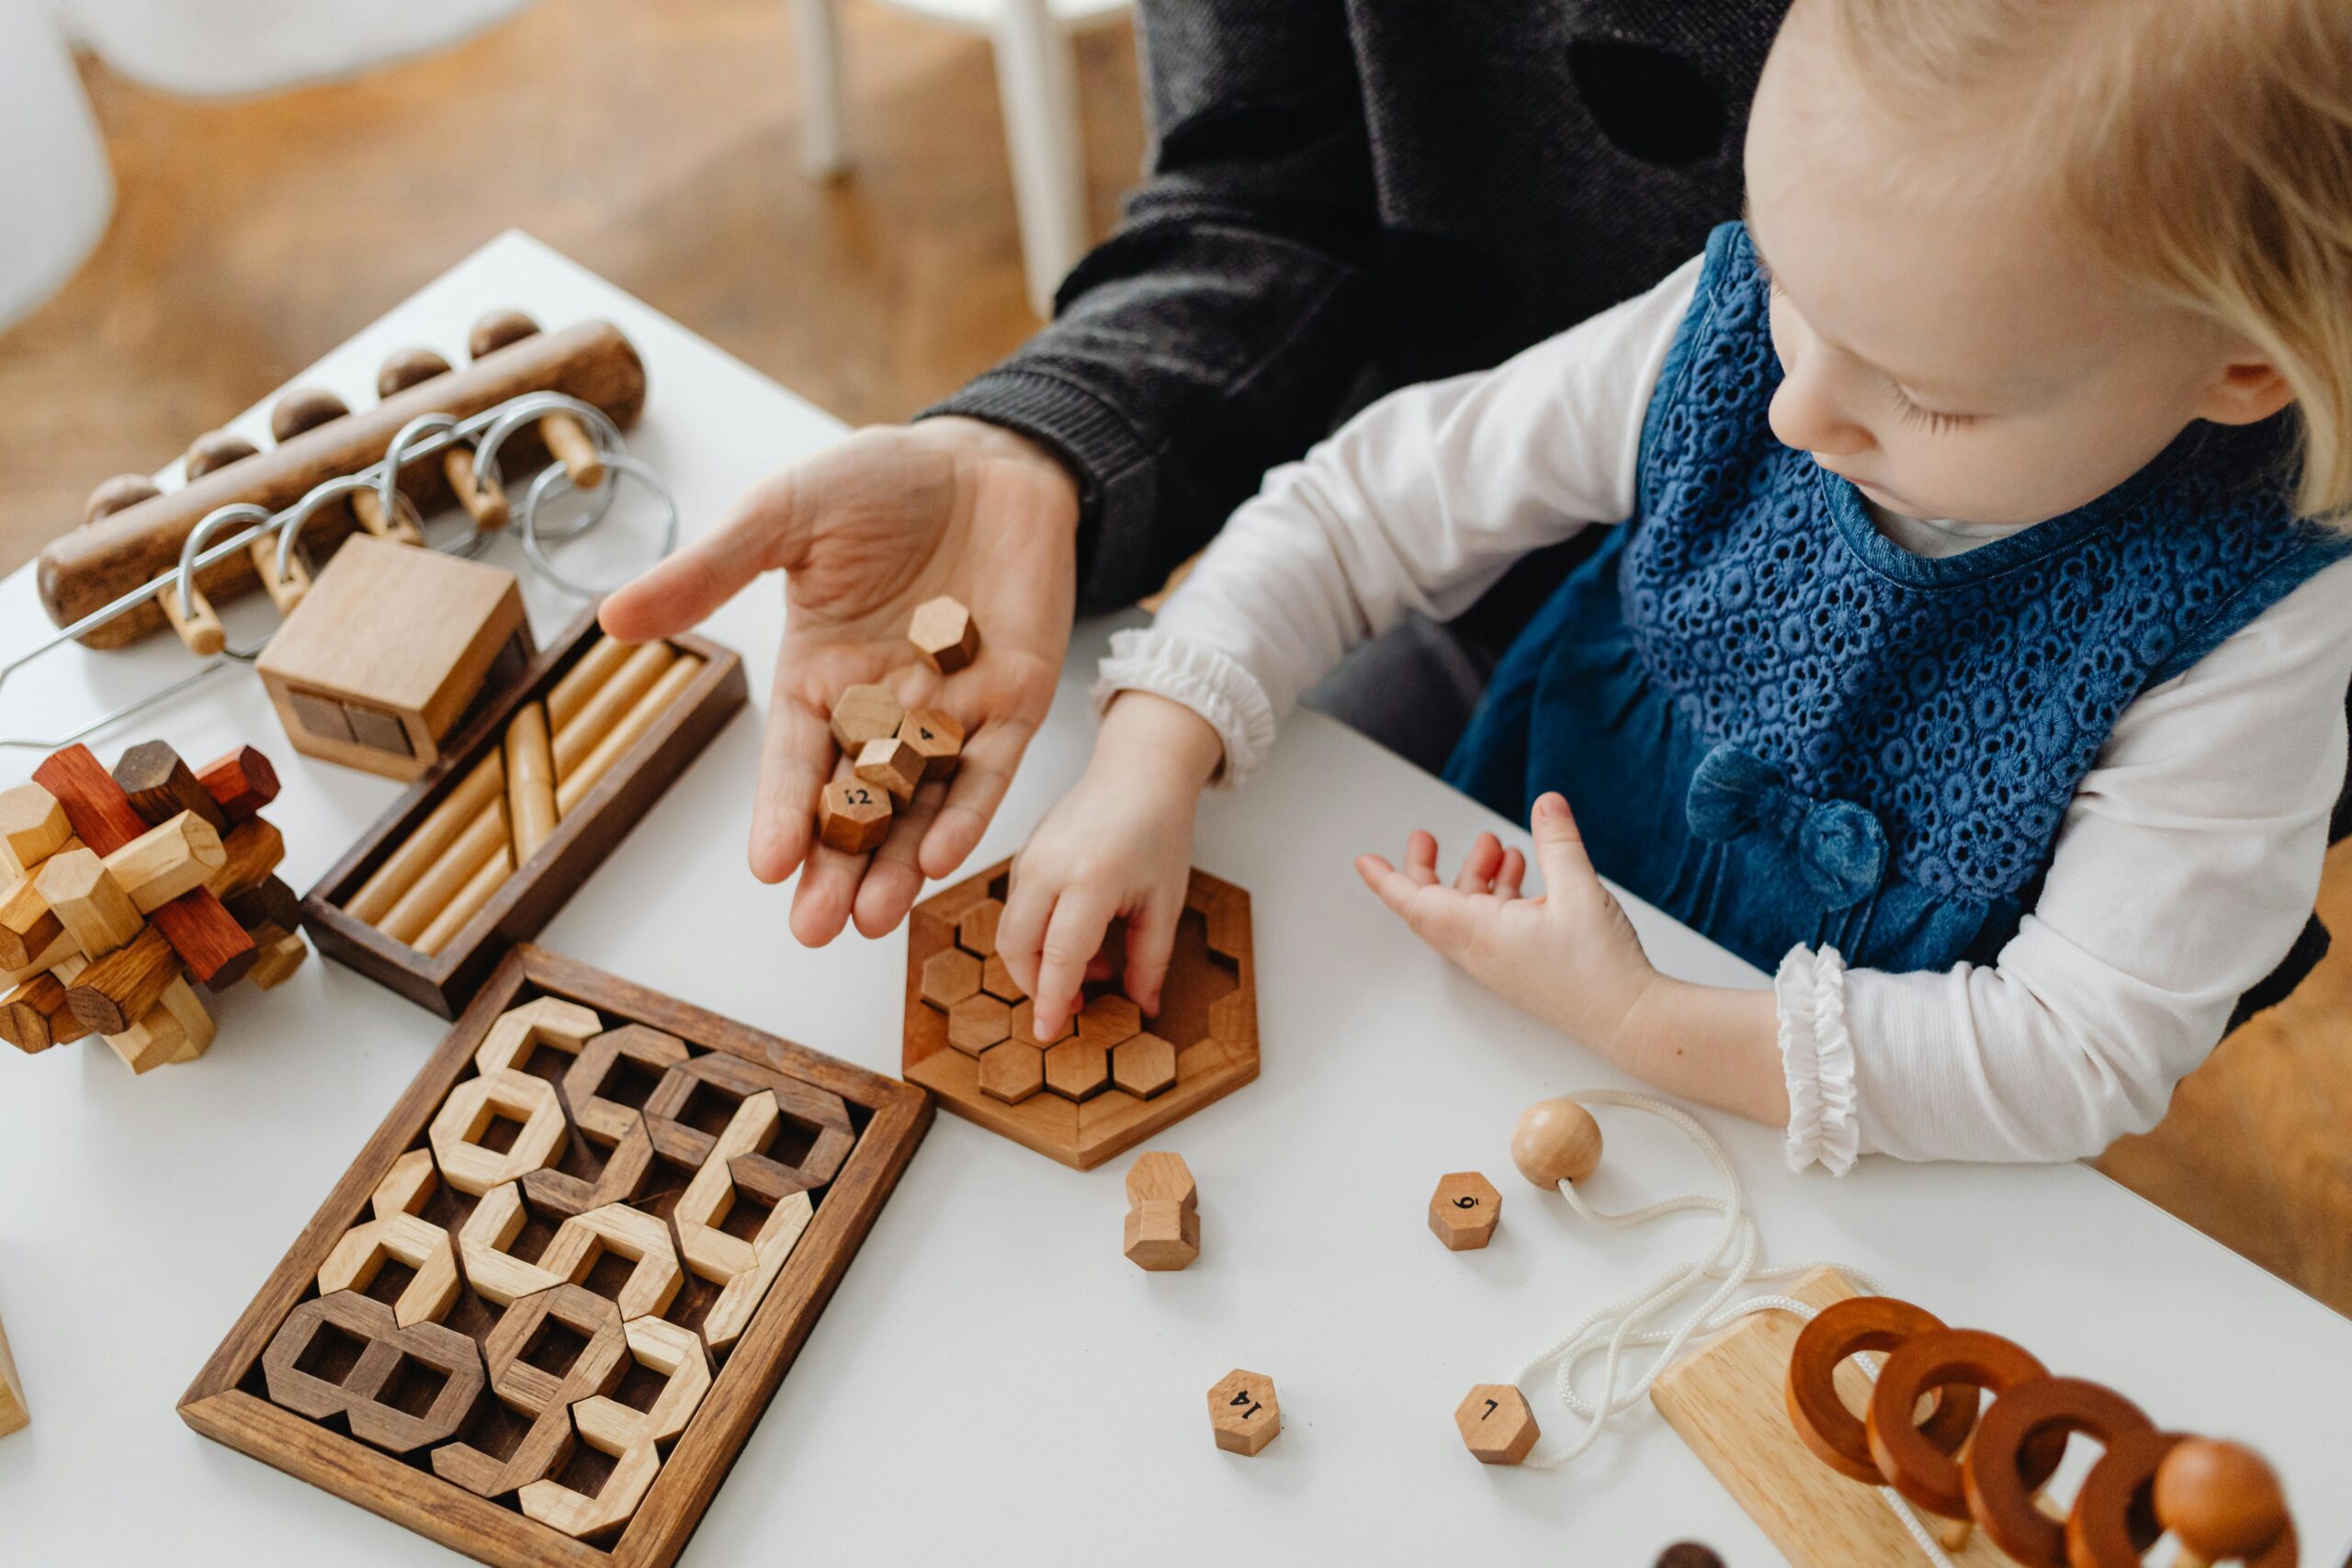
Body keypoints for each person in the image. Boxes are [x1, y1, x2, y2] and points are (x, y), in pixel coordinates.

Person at [999, 0, 2352, 1169]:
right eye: (1789, 286)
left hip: (1831, 1140)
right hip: (1476, 979)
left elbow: (2078, 1052)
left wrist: (1643, 1021)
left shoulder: (2257, 624)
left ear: (2244, 371)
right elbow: (1362, 511)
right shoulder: (1737, 342)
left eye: (1927, 399)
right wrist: (1148, 758)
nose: (1796, 411)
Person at [599, 2, 1792, 945]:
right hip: (1469, 603)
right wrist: (1032, 449)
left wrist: (1657, 1023)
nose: (1804, 406)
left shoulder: (1794, 307)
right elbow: (1261, 204)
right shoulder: (1702, 332)